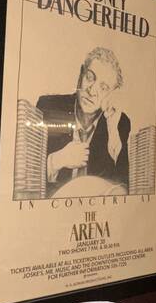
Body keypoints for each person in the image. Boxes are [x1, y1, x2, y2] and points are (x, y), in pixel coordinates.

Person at [38, 46, 131, 193]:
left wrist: (113, 131)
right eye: (89, 77)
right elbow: (24, 173)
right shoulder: (48, 107)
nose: (92, 91)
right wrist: (57, 160)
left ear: (112, 94)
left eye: (104, 87)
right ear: (80, 75)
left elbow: (125, 187)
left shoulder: (119, 123)